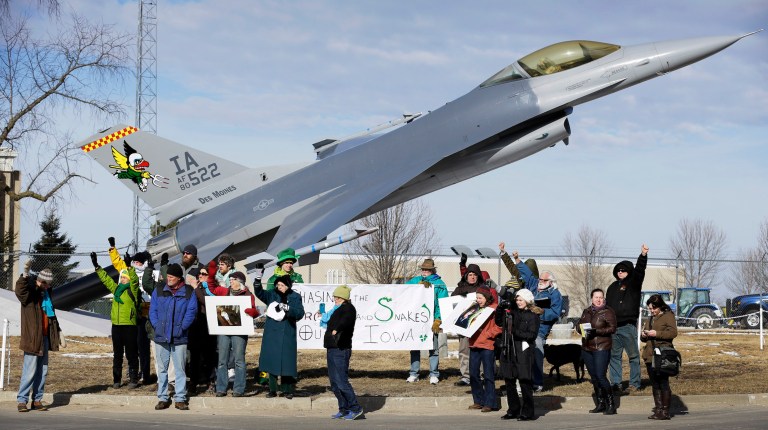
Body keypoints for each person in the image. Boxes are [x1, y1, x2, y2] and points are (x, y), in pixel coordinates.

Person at [149, 263, 197, 411]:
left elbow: (191, 312)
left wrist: (182, 328)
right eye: (167, 276)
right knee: (162, 369)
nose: (168, 279)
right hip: (161, 336)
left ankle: (180, 398)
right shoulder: (159, 290)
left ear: (178, 278)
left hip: (179, 337)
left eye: (171, 277)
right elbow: (153, 311)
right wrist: (157, 326)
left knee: (180, 369)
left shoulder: (188, 292)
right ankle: (162, 398)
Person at [91, 248, 141, 389]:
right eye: (122, 277)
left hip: (129, 325)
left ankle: (133, 379)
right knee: (117, 354)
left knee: (131, 353)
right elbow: (106, 280)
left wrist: (129, 267)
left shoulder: (133, 290)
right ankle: (116, 379)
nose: (122, 279)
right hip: (116, 326)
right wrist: (97, 266)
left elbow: (135, 281)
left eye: (125, 277)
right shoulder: (116, 289)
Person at [513, 251, 563, 392]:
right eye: (540, 278)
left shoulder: (555, 294)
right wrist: (517, 260)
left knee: (536, 351)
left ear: (551, 282)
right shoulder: (534, 286)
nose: (541, 281)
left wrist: (541, 312)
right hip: (524, 325)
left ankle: (537, 383)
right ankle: (522, 382)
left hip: (539, 330)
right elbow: (527, 274)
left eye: (544, 280)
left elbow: (555, 313)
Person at [15, 263, 61, 413]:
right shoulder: (30, 295)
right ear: (41, 282)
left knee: (43, 371)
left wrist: (58, 331)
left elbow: (51, 316)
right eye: (47, 284)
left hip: (45, 338)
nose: (48, 287)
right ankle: (22, 400)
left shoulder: (46, 296)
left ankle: (37, 400)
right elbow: (20, 291)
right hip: (33, 339)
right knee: (30, 371)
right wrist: (25, 274)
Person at [254, 272, 305, 398]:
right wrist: (258, 278)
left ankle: (287, 390)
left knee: (287, 362)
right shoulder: (272, 294)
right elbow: (259, 292)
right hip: (272, 333)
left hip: (287, 332)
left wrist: (288, 308)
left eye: (282, 285)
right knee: (272, 361)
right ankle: (272, 389)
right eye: (278, 285)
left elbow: (299, 313)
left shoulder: (295, 297)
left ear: (288, 286)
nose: (279, 287)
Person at [606, 244, 648, 394]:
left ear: (628, 271)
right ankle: (616, 383)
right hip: (614, 328)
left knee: (633, 356)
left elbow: (640, 271)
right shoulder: (611, 287)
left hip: (628, 326)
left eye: (623, 270)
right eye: (618, 270)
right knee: (614, 357)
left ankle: (634, 383)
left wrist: (643, 255)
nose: (620, 272)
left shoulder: (634, 284)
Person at [320, 285, 364, 420]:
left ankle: (355, 408)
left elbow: (346, 321)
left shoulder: (349, 309)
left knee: (341, 381)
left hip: (341, 348)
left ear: (344, 298)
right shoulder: (337, 309)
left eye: (338, 297)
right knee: (334, 382)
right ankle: (343, 408)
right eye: (334, 297)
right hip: (332, 347)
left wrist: (337, 329)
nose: (335, 299)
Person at [211, 271, 259, 397]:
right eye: (230, 279)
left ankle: (239, 388)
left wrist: (252, 312)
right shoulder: (224, 292)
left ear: (240, 282)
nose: (230, 281)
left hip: (239, 332)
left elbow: (255, 310)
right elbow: (212, 288)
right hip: (224, 330)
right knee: (222, 360)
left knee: (239, 360)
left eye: (233, 279)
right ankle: (221, 388)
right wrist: (211, 274)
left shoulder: (248, 294)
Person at [497, 288, 542, 421]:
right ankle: (513, 409)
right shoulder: (511, 313)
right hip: (508, 348)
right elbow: (499, 322)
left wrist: (515, 332)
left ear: (527, 301)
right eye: (517, 299)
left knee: (524, 381)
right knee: (509, 380)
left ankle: (528, 412)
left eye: (521, 299)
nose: (518, 302)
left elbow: (532, 335)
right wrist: (500, 308)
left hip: (523, 351)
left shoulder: (533, 316)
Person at [405, 258, 448, 384]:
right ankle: (414, 373)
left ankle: (434, 374)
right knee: (414, 347)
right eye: (423, 269)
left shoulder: (440, 284)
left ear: (432, 270)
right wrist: (417, 288)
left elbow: (442, 303)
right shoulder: (416, 281)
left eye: (427, 270)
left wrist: (438, 319)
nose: (424, 272)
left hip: (431, 320)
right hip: (416, 320)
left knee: (433, 348)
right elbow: (403, 290)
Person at [576, 288, 618, 415]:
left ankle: (611, 404)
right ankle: (601, 403)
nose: (599, 300)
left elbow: (613, 328)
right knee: (594, 377)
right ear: (592, 298)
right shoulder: (586, 311)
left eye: (601, 297)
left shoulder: (608, 312)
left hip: (601, 347)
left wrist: (596, 332)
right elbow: (579, 325)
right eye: (596, 297)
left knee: (600, 376)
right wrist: (579, 328)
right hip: (587, 348)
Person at [641, 294, 678, 420]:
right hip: (650, 355)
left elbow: (673, 332)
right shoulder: (650, 318)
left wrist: (657, 333)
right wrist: (644, 335)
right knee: (654, 384)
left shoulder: (668, 316)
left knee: (663, 383)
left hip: (663, 355)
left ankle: (665, 411)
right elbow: (644, 336)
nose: (652, 311)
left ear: (660, 306)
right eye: (650, 309)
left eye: (654, 309)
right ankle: (658, 409)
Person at [451, 263, 488, 386]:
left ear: (478, 276)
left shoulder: (484, 289)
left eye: (474, 275)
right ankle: (466, 376)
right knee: (464, 351)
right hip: (463, 326)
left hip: (479, 327)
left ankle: (481, 375)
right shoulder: (459, 290)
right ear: (466, 276)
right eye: (470, 274)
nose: (472, 277)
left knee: (479, 351)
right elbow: (451, 306)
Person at [467, 286, 502, 413]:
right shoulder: (473, 309)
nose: (478, 300)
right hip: (474, 344)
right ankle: (478, 401)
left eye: (480, 298)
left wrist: (488, 334)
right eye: (476, 298)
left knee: (488, 375)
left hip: (487, 345)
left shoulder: (494, 309)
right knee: (473, 374)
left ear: (486, 298)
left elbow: (500, 326)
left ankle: (490, 403)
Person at [186, 267, 218, 395]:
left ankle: (210, 381)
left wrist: (196, 289)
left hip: (208, 327)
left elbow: (207, 302)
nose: (200, 276)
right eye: (199, 274)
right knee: (194, 358)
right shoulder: (192, 289)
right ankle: (193, 383)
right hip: (194, 327)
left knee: (209, 357)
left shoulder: (210, 289)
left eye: (204, 274)